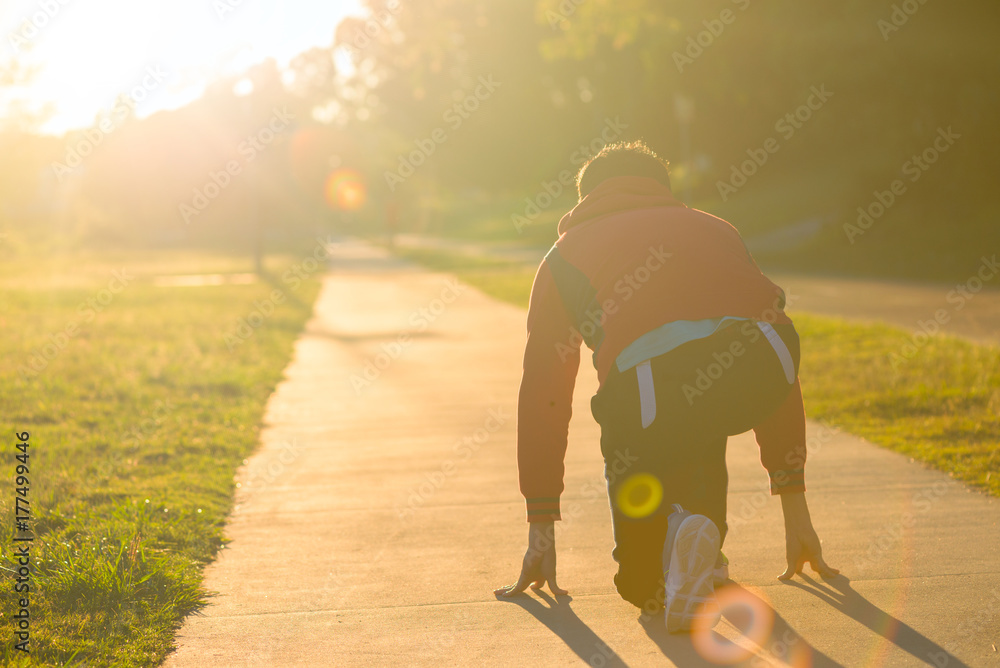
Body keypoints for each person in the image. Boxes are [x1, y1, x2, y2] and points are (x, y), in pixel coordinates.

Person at [494, 140, 838, 632]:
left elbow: (545, 394)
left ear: (585, 198)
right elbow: (761, 326)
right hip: (767, 361)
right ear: (662, 189)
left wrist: (540, 530)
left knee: (642, 587)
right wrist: (795, 508)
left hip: (650, 385)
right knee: (701, 397)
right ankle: (700, 547)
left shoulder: (565, 255)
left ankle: (674, 546)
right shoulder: (717, 228)